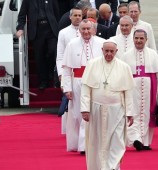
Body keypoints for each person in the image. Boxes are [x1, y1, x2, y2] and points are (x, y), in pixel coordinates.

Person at [80, 39, 134, 170]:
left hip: (117, 111)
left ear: (116, 51)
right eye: (106, 51)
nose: (109, 54)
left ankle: (112, 167)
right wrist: (85, 109)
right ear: (102, 50)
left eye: (112, 51)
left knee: (117, 142)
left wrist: (130, 113)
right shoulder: (92, 64)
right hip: (96, 109)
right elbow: (86, 89)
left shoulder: (124, 67)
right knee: (97, 142)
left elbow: (128, 92)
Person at [62, 19, 105, 153]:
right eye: (83, 29)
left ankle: (90, 145)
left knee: (96, 112)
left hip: (97, 82)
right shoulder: (72, 44)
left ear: (93, 29)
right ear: (79, 30)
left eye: (88, 29)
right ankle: (82, 145)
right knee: (78, 114)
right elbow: (67, 69)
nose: (86, 31)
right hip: (78, 81)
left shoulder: (102, 43)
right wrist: (67, 88)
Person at [122, 29, 158, 151]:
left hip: (150, 89)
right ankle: (135, 139)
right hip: (132, 89)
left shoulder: (152, 54)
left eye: (141, 38)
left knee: (148, 114)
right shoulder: (126, 55)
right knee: (132, 113)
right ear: (133, 39)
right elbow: (123, 75)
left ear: (146, 40)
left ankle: (146, 142)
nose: (139, 41)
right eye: (136, 38)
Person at [16, 0, 59, 90]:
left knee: (52, 51)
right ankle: (43, 81)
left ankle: (50, 71)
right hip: (37, 30)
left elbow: (57, 12)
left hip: (51, 28)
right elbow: (22, 15)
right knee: (39, 57)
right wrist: (20, 28)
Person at [56, 7, 82, 135]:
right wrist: (61, 74)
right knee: (69, 101)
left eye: (79, 15)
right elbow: (60, 56)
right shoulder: (64, 33)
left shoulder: (88, 30)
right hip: (69, 71)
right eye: (75, 15)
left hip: (83, 73)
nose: (77, 17)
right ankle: (69, 130)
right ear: (70, 17)